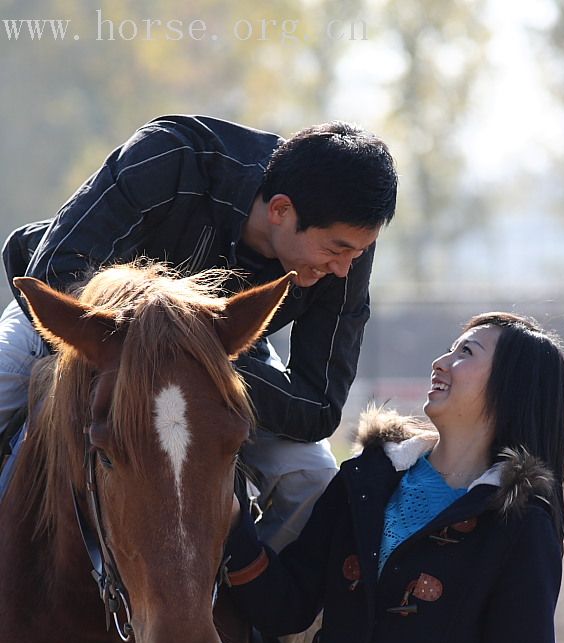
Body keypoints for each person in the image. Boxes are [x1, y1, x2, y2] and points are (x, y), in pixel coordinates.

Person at [0, 115, 398, 554]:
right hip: (92, 323)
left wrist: (191, 363)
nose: (343, 268)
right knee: (4, 382)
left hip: (227, 353)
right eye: (336, 250)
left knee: (314, 481)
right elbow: (56, 267)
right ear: (281, 210)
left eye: (356, 253)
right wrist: (166, 344)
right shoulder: (172, 154)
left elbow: (318, 404)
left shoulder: (347, 240)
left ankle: (255, 609)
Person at [224, 311, 564, 643]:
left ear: (512, 385)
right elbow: (288, 604)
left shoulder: (520, 524)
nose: (441, 361)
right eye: (451, 348)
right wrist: (233, 526)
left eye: (465, 353)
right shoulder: (365, 480)